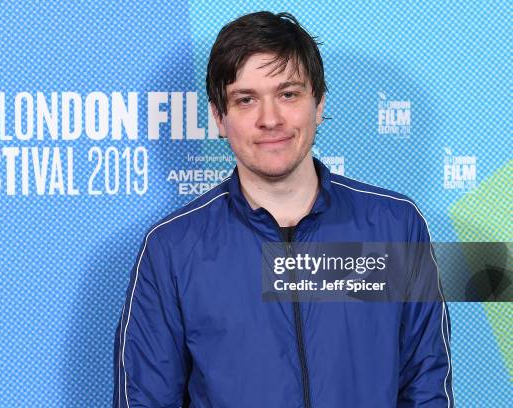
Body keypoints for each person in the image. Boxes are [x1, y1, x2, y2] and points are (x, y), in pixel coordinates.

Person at [113, 11, 454, 407]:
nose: (270, 119)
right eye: (246, 100)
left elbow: (426, 384)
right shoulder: (171, 249)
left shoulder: (394, 226)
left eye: (288, 94)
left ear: (319, 103)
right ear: (219, 117)